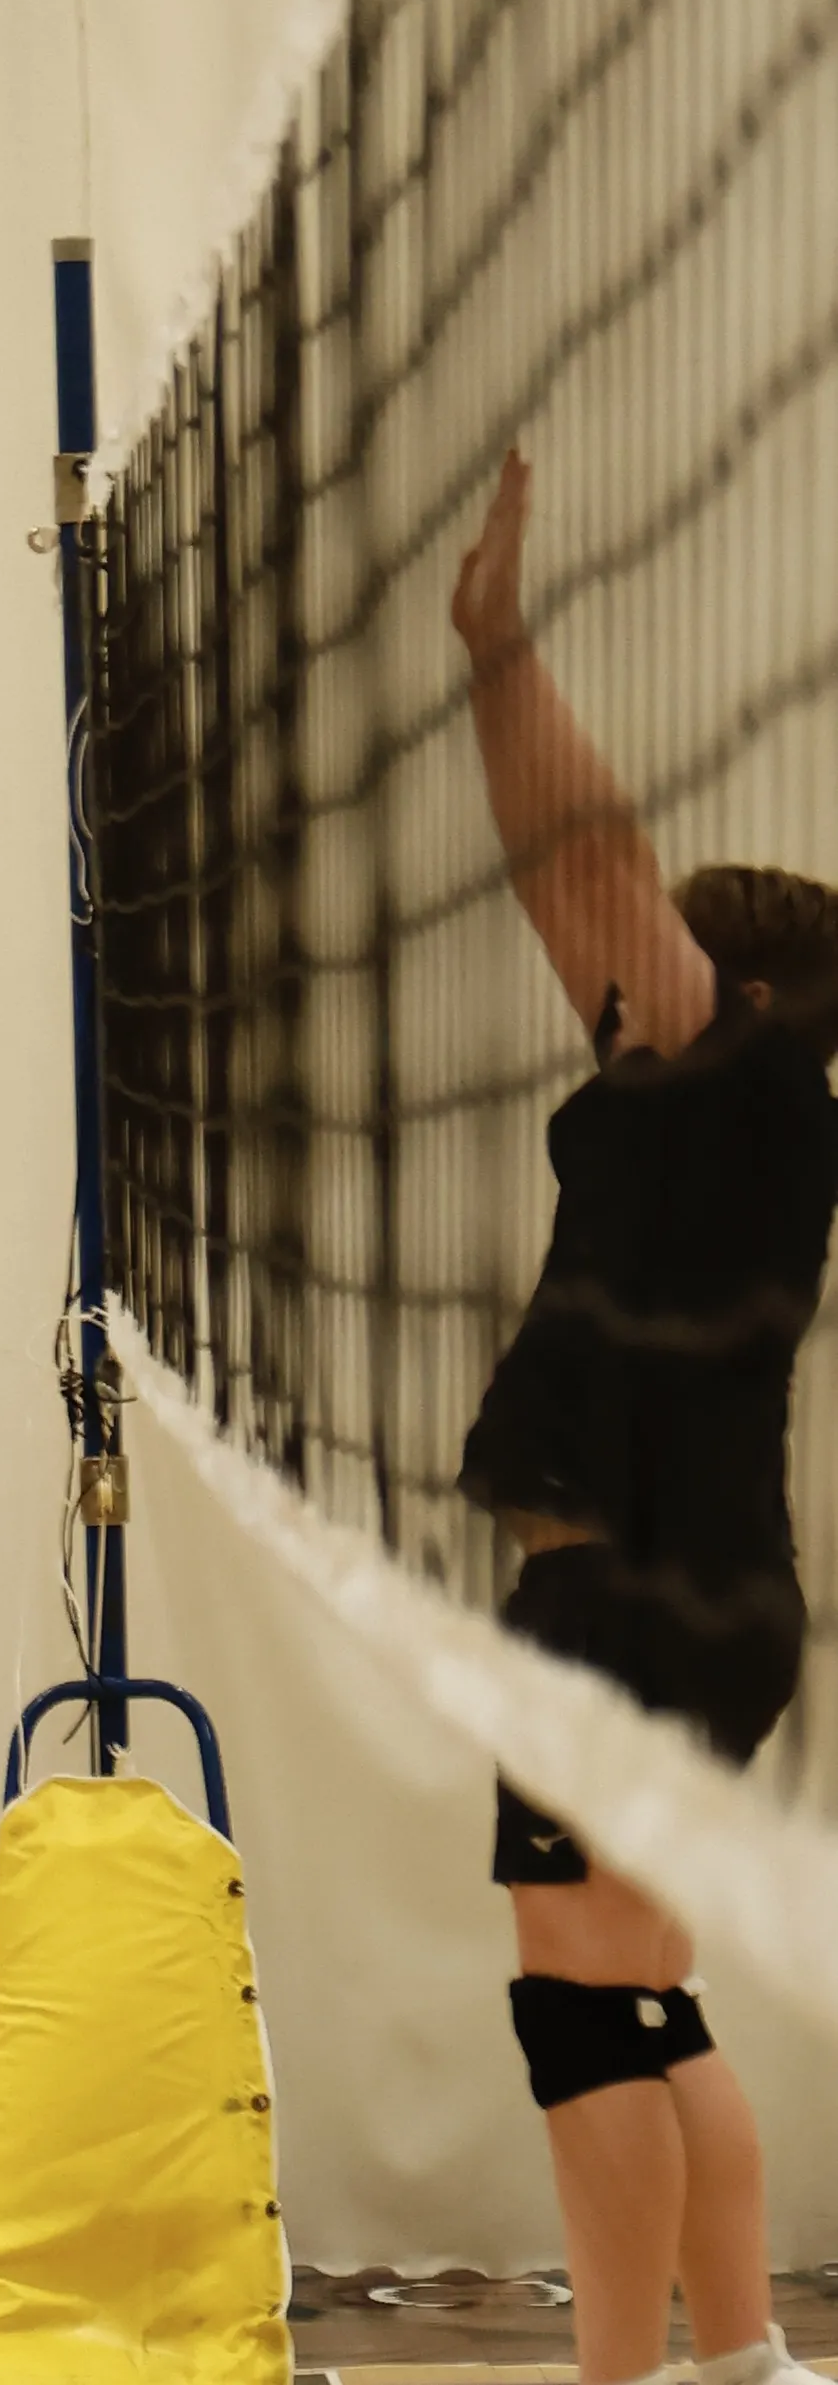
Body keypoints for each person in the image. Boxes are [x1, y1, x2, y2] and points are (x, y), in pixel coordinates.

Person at [452, 450, 838, 2385]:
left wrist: (496, 650)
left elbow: (580, 864)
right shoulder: (737, 1127)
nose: (609, 995)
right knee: (649, 1999)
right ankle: (743, 2359)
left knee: (588, 2013)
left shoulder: (735, 1078)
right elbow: (584, 906)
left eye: (660, 977)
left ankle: (626, 2375)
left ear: (738, 989)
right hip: (687, 1598)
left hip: (631, 1606)